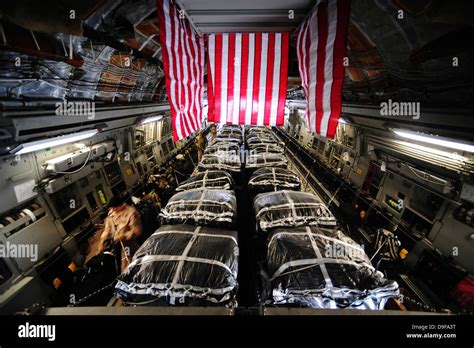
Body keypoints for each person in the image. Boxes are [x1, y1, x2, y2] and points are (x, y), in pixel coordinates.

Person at [99, 196, 142, 272]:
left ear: (121, 205)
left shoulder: (131, 212)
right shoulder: (112, 213)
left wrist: (123, 236)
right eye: (111, 208)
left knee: (127, 265)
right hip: (116, 244)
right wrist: (102, 240)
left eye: (114, 208)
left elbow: (137, 231)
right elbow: (107, 228)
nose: (112, 210)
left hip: (129, 244)